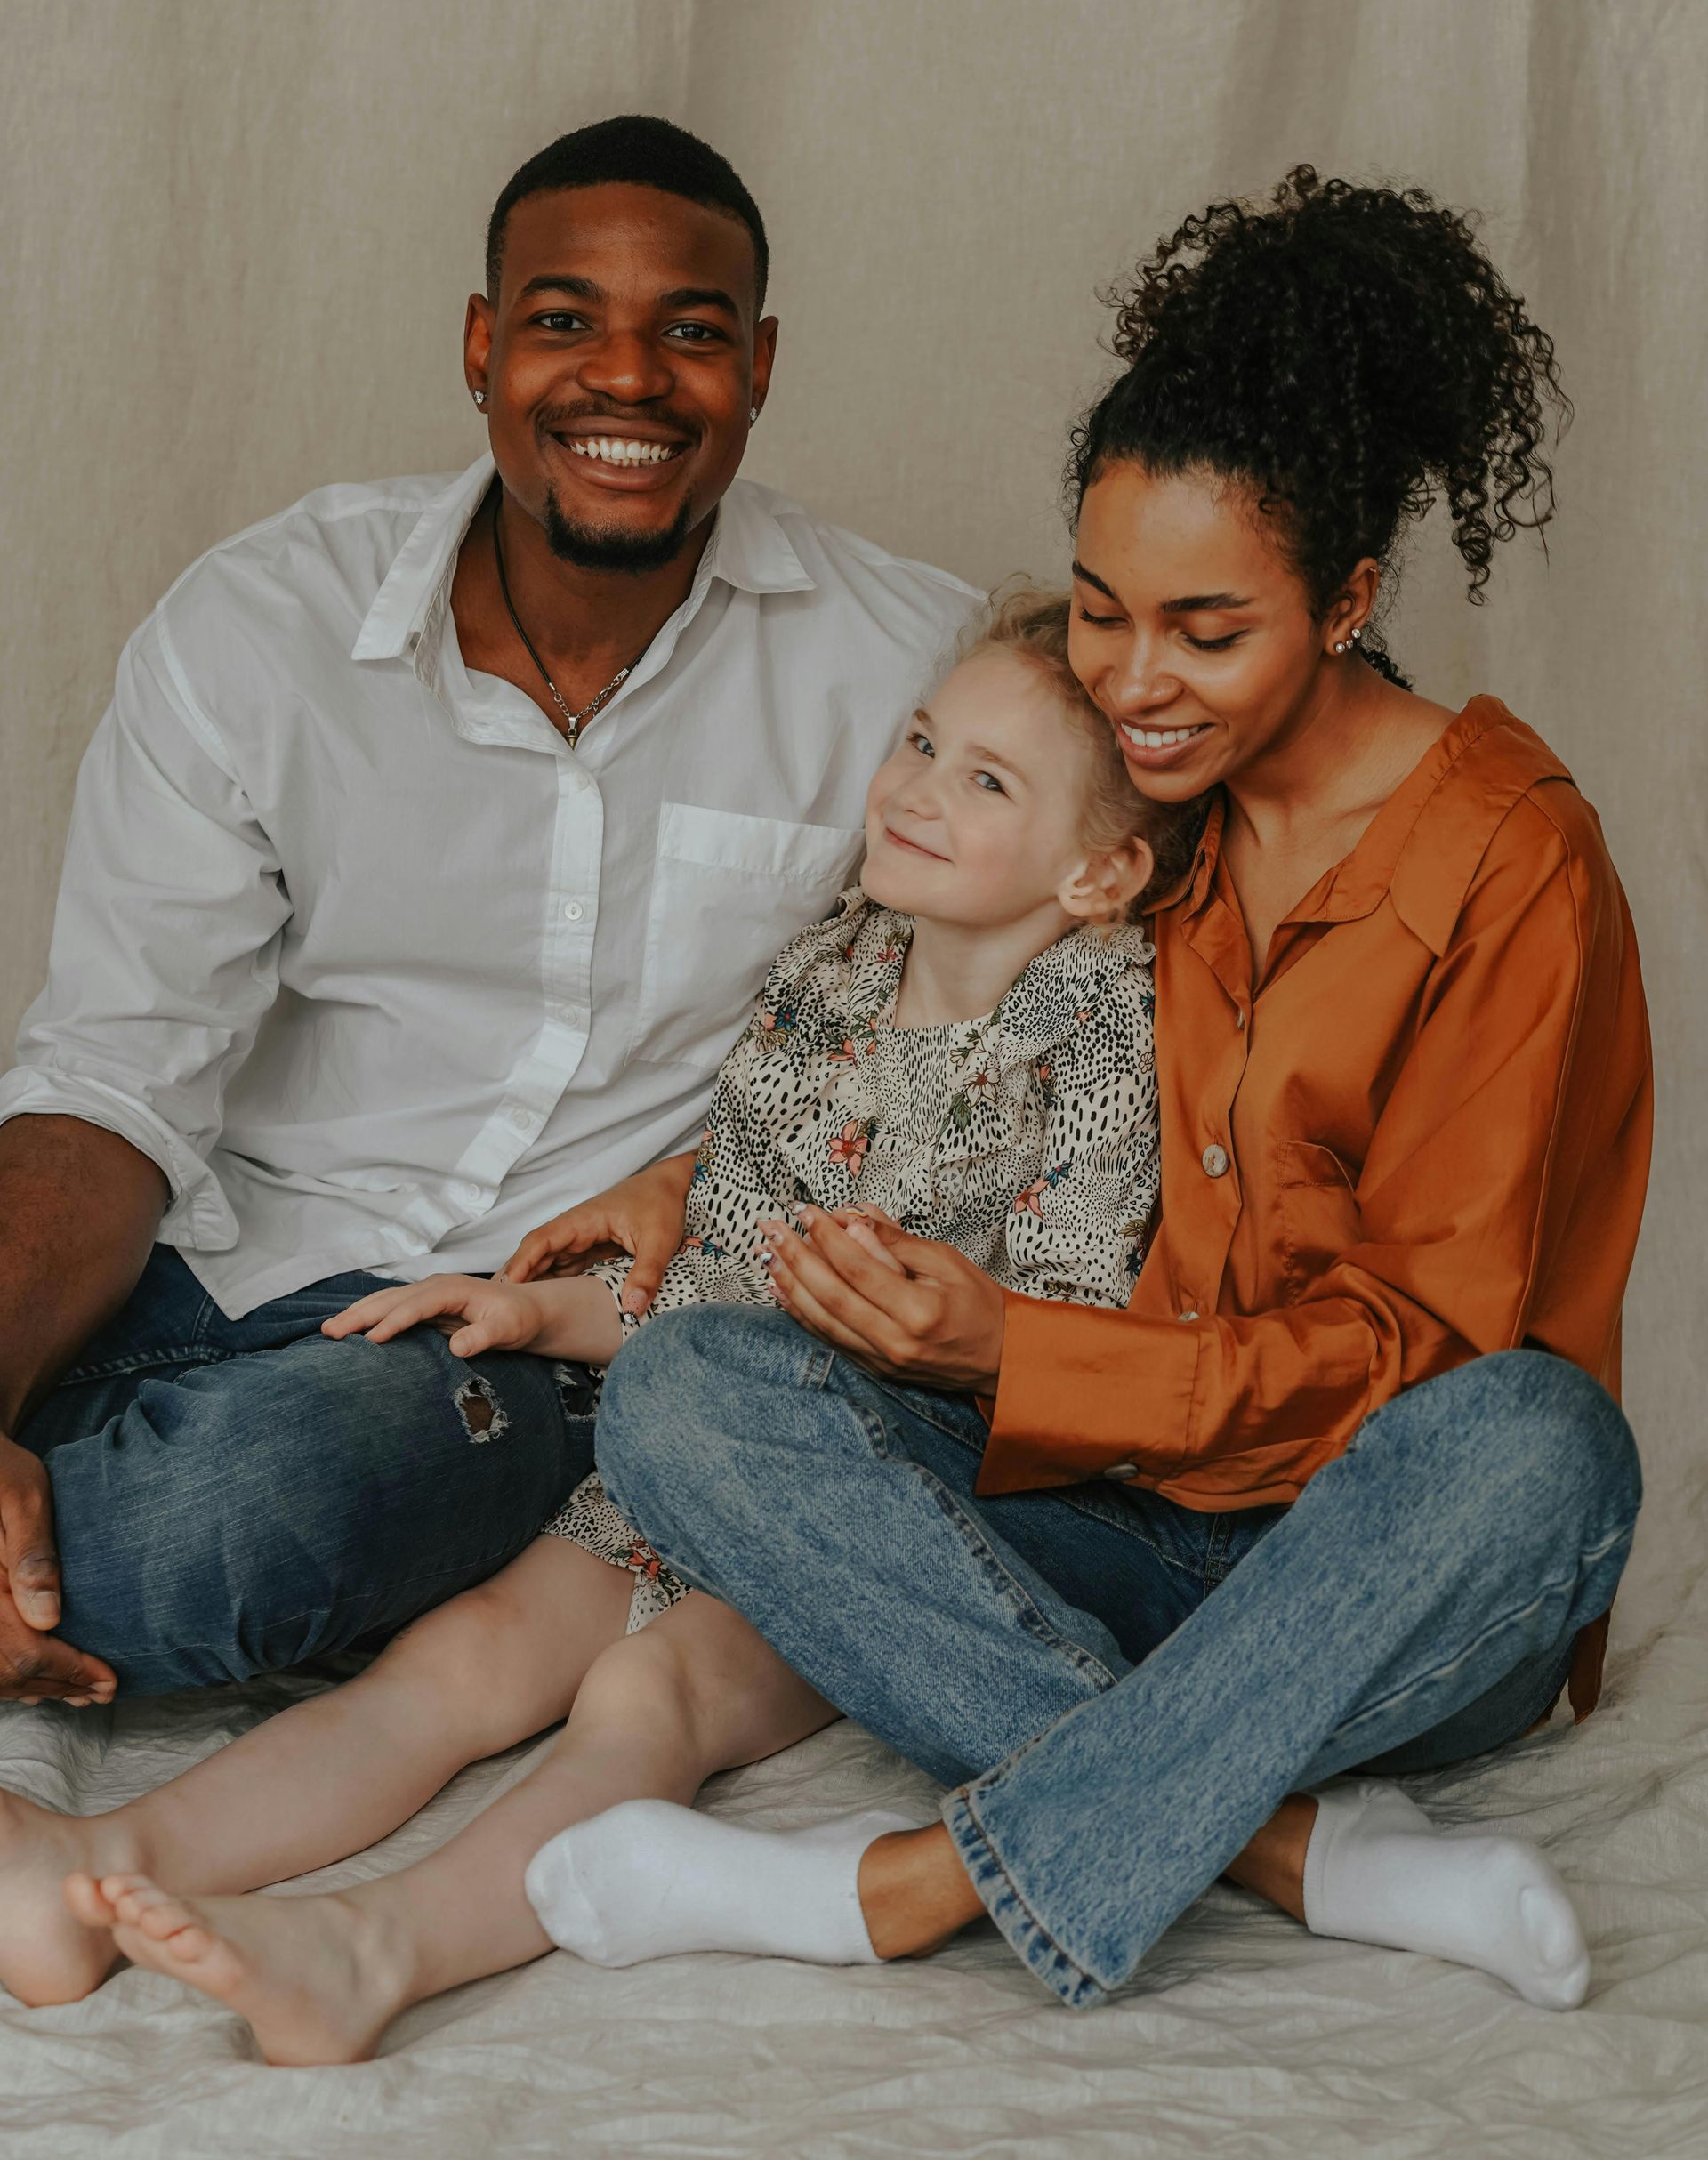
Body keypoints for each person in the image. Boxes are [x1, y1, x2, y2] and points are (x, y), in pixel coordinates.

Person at [536, 169, 1648, 2012]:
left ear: (1354, 599)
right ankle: (1285, 1845)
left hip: (1388, 1571)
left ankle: (882, 1893)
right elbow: (916, 1011)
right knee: (689, 1393)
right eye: (1107, 611)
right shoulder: (1145, 818)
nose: (1133, 683)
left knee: (1543, 1439)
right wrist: (691, 1180)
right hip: (1118, 1529)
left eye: (1207, 633)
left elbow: (1423, 1366)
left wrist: (1016, 1355)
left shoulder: (1508, 860)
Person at [10, 598, 1171, 2051]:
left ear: (1102, 869)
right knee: (467, 1657)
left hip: (885, 1496)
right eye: (922, 741)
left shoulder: (1104, 1037)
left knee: (650, 1690)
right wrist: (541, 1310)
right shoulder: (838, 973)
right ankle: (99, 1868)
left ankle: (375, 1952)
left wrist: (957, 1336)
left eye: (985, 780)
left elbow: (1076, 1347)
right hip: (689, 1443)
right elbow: (722, 1269)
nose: (917, 788)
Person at [0, 115, 979, 1711]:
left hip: (531, 1337)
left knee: (241, 1514)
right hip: (218, 1258)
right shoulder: (261, 630)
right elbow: (113, 1076)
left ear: (763, 367)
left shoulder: (909, 669)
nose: (628, 377)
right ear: (480, 348)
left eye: (693, 332)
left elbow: (995, 1037)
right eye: (563, 319)